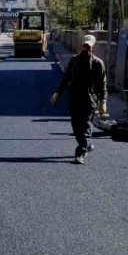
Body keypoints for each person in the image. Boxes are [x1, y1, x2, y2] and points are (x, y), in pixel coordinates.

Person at [51, 34, 108, 165]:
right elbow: (65, 78)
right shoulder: (74, 60)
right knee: (76, 127)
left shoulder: (98, 63)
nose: (86, 48)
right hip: (74, 98)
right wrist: (57, 93)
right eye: (85, 45)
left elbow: (102, 84)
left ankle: (81, 152)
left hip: (89, 100)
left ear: (94, 47)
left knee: (85, 126)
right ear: (81, 45)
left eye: (89, 46)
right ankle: (88, 144)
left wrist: (103, 102)